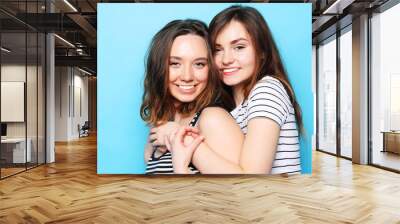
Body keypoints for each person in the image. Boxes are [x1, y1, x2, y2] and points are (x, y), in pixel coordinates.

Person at [154, 6, 302, 174]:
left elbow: (252, 180)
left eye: (239, 47)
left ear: (262, 51)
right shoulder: (234, 107)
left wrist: (179, 135)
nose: (226, 59)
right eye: (218, 50)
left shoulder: (267, 89)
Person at [141, 19, 243, 174]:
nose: (187, 76)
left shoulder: (212, 118)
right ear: (159, 68)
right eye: (175, 63)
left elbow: (243, 190)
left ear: (211, 69)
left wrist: (179, 138)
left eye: (199, 64)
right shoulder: (165, 124)